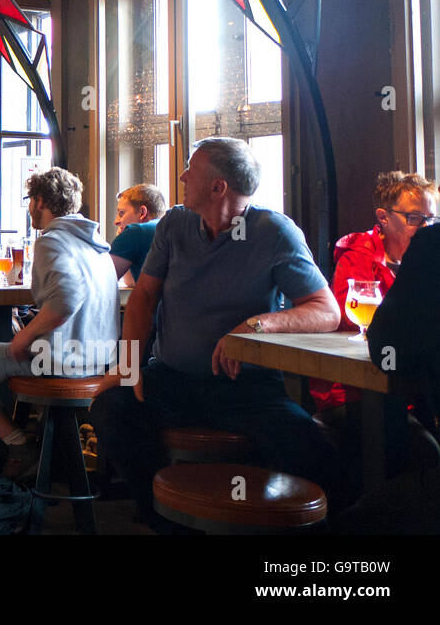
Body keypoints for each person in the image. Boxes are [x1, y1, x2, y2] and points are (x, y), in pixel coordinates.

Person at [88, 137, 342, 531]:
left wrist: (255, 326)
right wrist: (129, 364)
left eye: (192, 169)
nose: (182, 176)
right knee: (110, 408)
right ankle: (165, 519)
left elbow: (326, 309)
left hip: (249, 388)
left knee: (313, 452)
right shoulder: (174, 224)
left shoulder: (274, 231)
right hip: (172, 379)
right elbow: (143, 297)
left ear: (218, 187)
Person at [0, 168, 119, 457]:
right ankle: (41, 452)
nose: (28, 208)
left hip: (61, 361)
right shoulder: (97, 244)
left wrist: (25, 336)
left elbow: (65, 300)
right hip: (102, 360)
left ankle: (17, 447)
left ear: (40, 201)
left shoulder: (52, 240)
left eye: (29, 200)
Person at [332, 222, 440, 533]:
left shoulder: (431, 247)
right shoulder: (358, 252)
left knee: (354, 522)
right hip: (351, 398)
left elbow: (388, 349)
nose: (422, 223)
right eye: (414, 216)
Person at [313, 171, 438, 412]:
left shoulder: (427, 261)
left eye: (430, 220)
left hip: (409, 389)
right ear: (383, 217)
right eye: (414, 218)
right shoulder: (357, 257)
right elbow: (357, 324)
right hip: (354, 392)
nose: (425, 227)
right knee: (422, 448)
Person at [109, 183, 166, 284]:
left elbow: (102, 281)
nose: (116, 221)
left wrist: (124, 238)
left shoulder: (136, 231)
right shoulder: (165, 229)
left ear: (142, 212)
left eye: (121, 213)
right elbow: (131, 281)